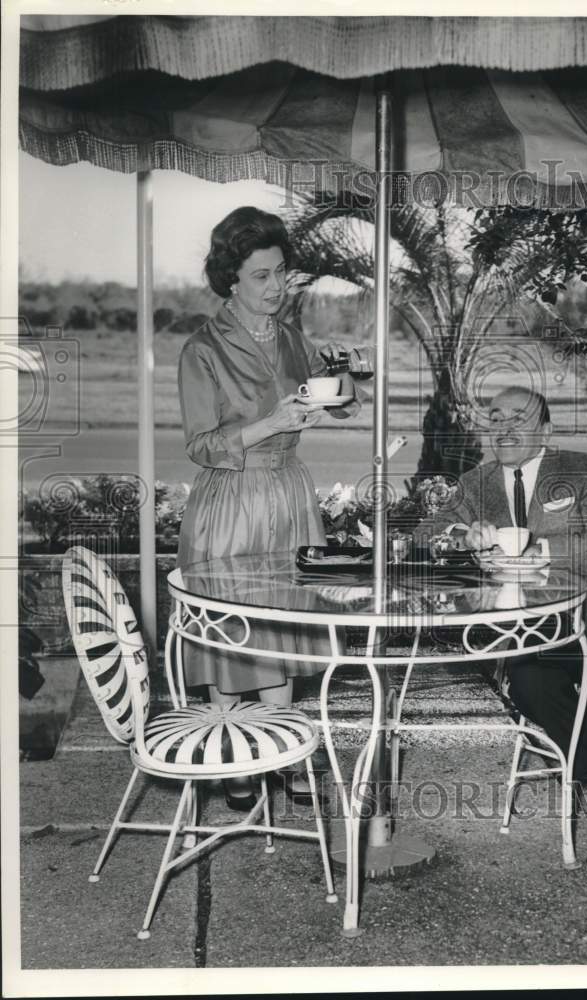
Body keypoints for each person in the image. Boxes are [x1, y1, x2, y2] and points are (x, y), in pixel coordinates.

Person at [417, 385, 587, 868]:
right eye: (495, 416)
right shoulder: (476, 483)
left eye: (519, 417)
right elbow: (424, 537)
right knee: (528, 683)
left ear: (544, 429)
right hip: (538, 628)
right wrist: (462, 534)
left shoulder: (586, 470)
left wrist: (539, 552)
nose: (504, 427)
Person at [176, 206, 360, 809]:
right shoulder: (201, 349)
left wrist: (345, 380)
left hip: (289, 493)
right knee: (230, 633)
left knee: (282, 626)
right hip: (231, 499)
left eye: (281, 272)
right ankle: (234, 759)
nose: (277, 287)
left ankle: (285, 753)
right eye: (261, 275)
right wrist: (271, 422)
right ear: (231, 278)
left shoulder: (289, 337)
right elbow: (202, 445)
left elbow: (336, 405)